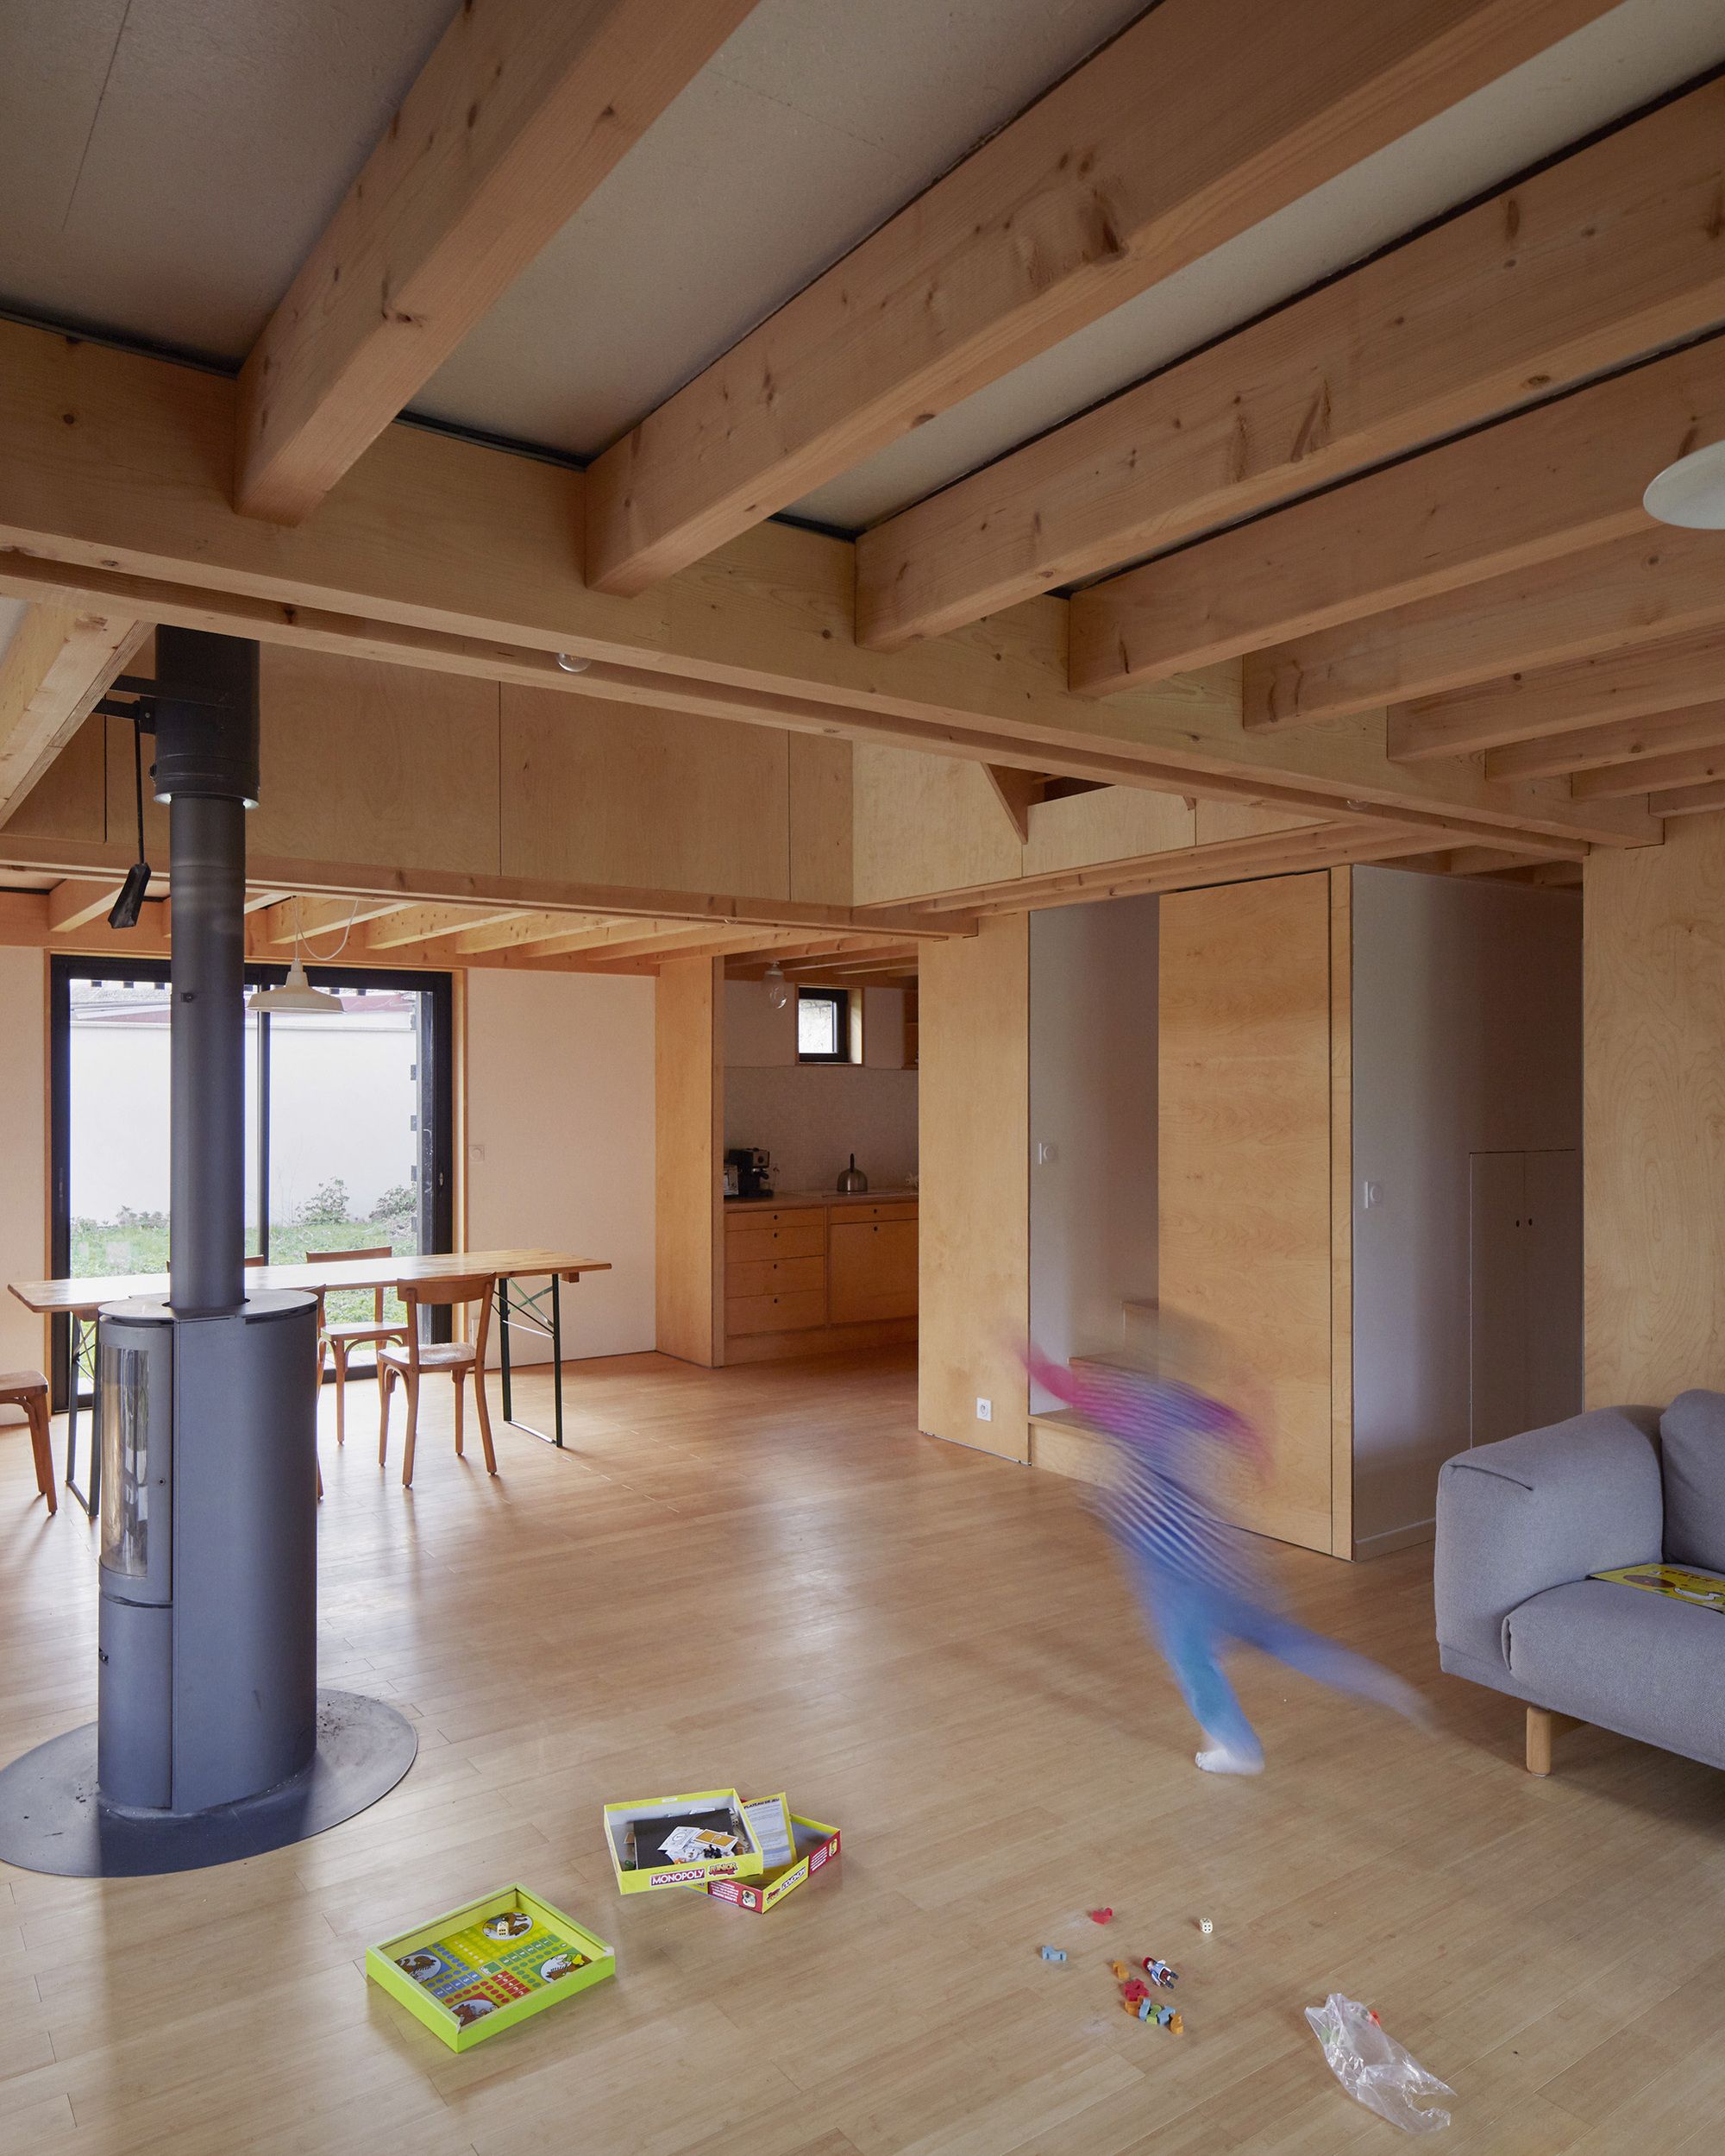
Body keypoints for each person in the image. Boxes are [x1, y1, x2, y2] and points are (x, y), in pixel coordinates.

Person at [1028, 1324, 1426, 1773]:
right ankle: (1372, 1681)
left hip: (1169, 1564)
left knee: (1189, 1655)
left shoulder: (1130, 1407)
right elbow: (1238, 1425)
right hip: (1219, 1554)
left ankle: (1237, 1747)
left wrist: (1029, 1358)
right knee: (1274, 1635)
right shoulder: (1186, 1403)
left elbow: (1065, 1388)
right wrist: (1259, 1450)